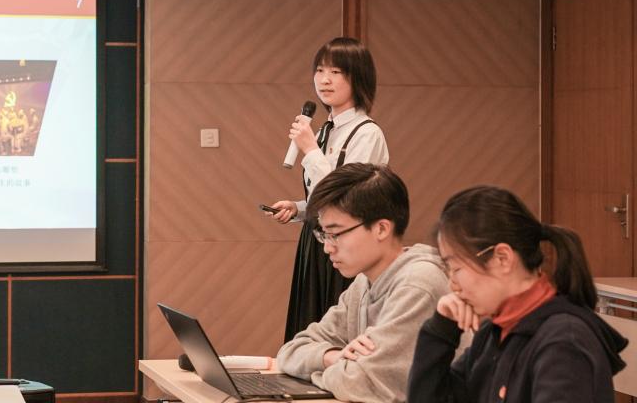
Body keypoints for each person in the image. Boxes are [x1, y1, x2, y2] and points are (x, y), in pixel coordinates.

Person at [408, 186, 627, 403]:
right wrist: (441, 328)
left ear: (502, 258)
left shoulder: (564, 341)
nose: (452, 284)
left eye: (456, 268)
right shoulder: (494, 333)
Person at [276, 163, 448, 403]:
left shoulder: (418, 285)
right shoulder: (363, 282)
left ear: (381, 229)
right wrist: (333, 357)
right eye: (324, 235)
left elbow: (360, 383)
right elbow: (291, 350)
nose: (327, 247)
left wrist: (328, 370)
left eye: (336, 234)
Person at [268, 37, 390, 338]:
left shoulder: (367, 133)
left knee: (336, 332)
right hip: (315, 241)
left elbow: (349, 196)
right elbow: (324, 194)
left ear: (357, 78)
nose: (324, 80)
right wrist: (299, 209)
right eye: (320, 71)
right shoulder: (324, 130)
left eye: (336, 72)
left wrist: (310, 150)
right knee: (309, 327)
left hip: (348, 244)